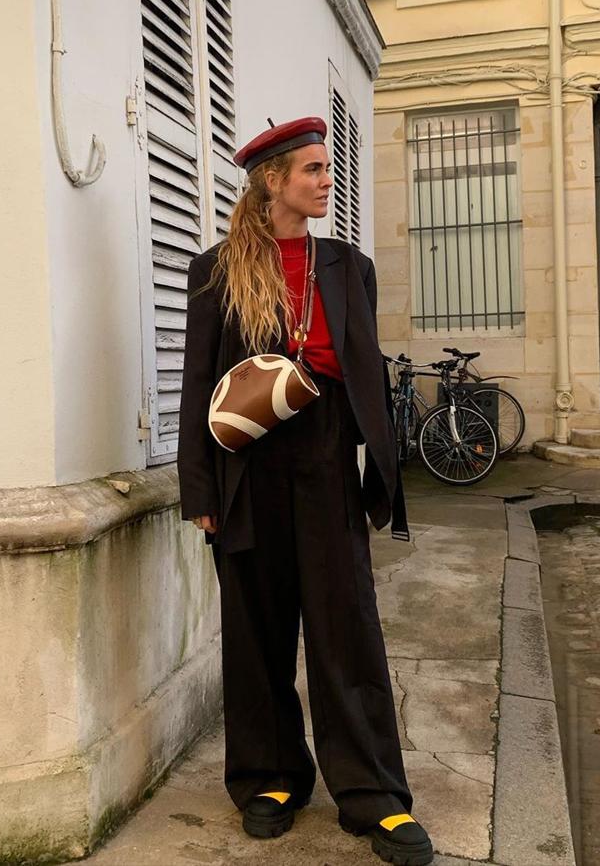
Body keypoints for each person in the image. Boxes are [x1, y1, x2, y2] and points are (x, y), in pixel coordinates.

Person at [177, 117, 433, 866]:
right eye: (314, 170)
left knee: (344, 625)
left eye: (327, 168)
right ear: (273, 181)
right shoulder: (216, 270)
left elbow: (363, 366)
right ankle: (271, 776)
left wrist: (382, 467)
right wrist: (200, 487)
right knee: (256, 629)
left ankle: (373, 794)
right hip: (247, 464)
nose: (327, 181)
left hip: (324, 456)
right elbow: (198, 383)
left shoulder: (349, 266)